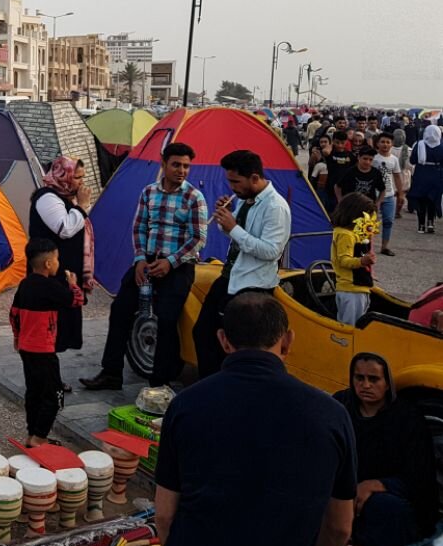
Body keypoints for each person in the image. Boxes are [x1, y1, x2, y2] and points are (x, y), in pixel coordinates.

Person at [155, 293, 356, 546]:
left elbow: (164, 516)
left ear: (223, 340)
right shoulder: (332, 415)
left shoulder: (184, 406)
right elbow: (339, 528)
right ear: (287, 341)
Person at [80, 143, 207, 390]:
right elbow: (140, 227)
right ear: (164, 164)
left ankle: (159, 382)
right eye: (177, 165)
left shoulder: (194, 197)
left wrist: (170, 263)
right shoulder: (149, 192)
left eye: (186, 166)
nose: (182, 171)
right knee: (120, 309)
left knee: (167, 320)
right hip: (147, 261)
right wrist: (139, 259)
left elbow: (198, 238)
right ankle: (111, 372)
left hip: (178, 266)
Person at [192, 150, 292, 379]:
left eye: (236, 181)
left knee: (235, 344)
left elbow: (271, 251)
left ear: (254, 178)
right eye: (229, 181)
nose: (231, 187)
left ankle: (227, 388)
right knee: (204, 332)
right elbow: (236, 236)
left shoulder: (275, 207)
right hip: (231, 277)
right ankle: (211, 386)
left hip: (252, 285)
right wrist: (226, 218)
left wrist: (233, 228)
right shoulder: (247, 199)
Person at [333, 353, 439, 546]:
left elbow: (419, 479)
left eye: (374, 379)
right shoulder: (341, 405)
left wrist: (375, 486)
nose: (365, 385)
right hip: (345, 487)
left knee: (388, 510)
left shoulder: (407, 418)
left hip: (386, 495)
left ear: (388, 383)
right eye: (359, 378)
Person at [9, 238, 85, 448]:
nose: (59, 263)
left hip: (26, 348)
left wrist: (17, 336)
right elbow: (76, 301)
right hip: (43, 350)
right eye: (57, 259)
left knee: (33, 391)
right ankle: (40, 437)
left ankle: (32, 433)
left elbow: (13, 314)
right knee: (53, 394)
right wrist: (73, 284)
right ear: (48, 264)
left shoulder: (25, 284)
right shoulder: (51, 286)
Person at [29, 156, 95, 359]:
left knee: (61, 328)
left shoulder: (66, 198)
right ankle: (49, 383)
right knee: (50, 329)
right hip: (50, 274)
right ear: (63, 175)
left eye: (82, 177)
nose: (81, 182)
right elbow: (64, 228)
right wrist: (82, 206)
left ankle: (53, 379)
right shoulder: (47, 197)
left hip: (64, 275)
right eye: (76, 177)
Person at [331, 193, 377, 326]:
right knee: (350, 325)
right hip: (351, 289)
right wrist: (362, 261)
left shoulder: (354, 235)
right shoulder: (345, 235)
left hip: (358, 288)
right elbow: (344, 260)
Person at [371, 133, 402, 256]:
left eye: (388, 142)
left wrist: (400, 193)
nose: (385, 144)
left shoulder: (394, 159)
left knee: (388, 221)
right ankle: (368, 247)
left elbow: (397, 176)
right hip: (374, 195)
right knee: (370, 222)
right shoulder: (373, 158)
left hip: (389, 195)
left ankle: (385, 247)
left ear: (392, 144)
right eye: (383, 142)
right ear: (377, 143)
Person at [409, 124, 443, 234]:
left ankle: (421, 225)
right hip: (436, 175)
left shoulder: (419, 145)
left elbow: (412, 160)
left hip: (421, 174)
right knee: (432, 200)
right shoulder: (441, 146)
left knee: (421, 200)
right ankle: (431, 223)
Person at [324, 133, 356, 212]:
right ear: (333, 142)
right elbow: (325, 152)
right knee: (332, 211)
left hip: (346, 188)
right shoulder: (331, 153)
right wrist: (331, 144)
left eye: (342, 143)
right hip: (331, 186)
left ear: (346, 142)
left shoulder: (350, 155)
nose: (340, 145)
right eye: (337, 142)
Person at [393, 128, 412, 218]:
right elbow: (410, 165)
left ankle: (392, 210)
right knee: (401, 195)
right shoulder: (408, 150)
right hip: (404, 175)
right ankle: (397, 211)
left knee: (393, 194)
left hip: (392, 175)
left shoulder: (389, 148)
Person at [309, 145, 331, 211]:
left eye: (317, 153)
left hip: (321, 188)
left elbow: (312, 178)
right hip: (323, 188)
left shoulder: (320, 165)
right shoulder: (322, 164)